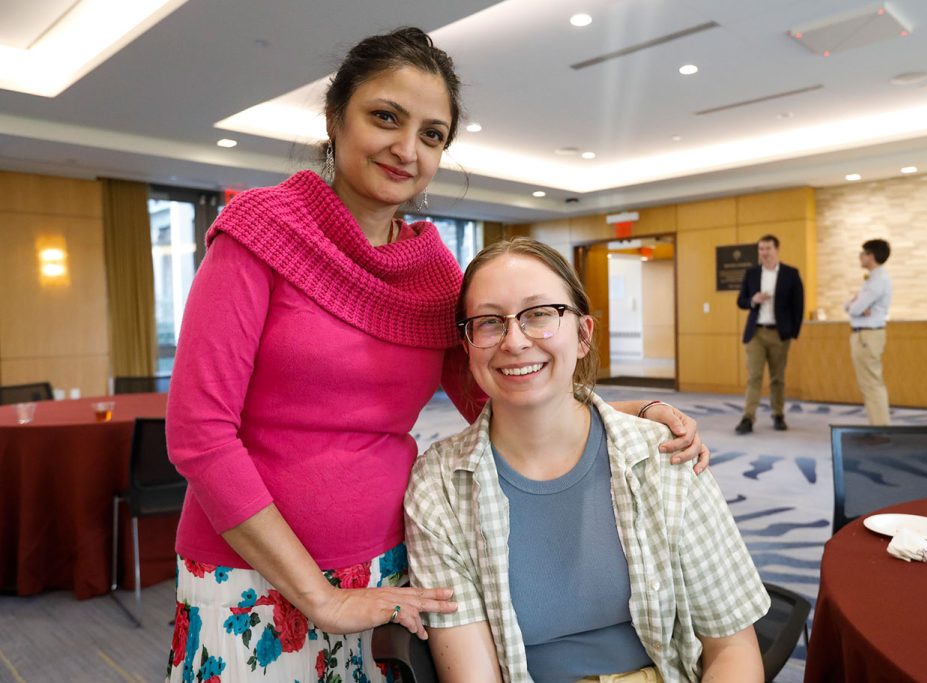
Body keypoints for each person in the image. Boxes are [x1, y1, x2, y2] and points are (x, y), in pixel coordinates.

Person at [164, 28, 707, 683]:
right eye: (385, 117)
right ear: (335, 119)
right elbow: (199, 435)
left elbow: (503, 396)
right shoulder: (259, 231)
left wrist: (633, 412)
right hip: (252, 569)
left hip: (390, 564)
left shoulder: (433, 273)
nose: (407, 148)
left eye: (432, 134)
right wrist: (321, 597)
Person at [405, 238, 769, 683]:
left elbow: (732, 647)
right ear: (467, 345)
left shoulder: (663, 456)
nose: (515, 341)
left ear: (582, 335)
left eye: (539, 315)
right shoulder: (439, 485)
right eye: (489, 322)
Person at [735, 235, 804, 434]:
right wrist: (753, 300)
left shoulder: (791, 274)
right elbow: (741, 301)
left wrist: (793, 333)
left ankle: (778, 414)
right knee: (754, 376)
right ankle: (748, 418)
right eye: (761, 249)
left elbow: (798, 305)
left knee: (777, 378)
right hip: (755, 332)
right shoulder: (752, 273)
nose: (764, 253)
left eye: (767, 248)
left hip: (779, 334)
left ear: (776, 250)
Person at [845, 239, 893, 426]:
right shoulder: (873, 278)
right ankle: (876, 427)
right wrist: (854, 304)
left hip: (868, 335)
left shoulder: (878, 280)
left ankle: (881, 430)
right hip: (863, 334)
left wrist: (855, 304)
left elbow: (855, 308)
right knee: (868, 384)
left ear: (871, 256)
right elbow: (851, 306)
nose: (860, 256)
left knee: (872, 384)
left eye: (863, 253)